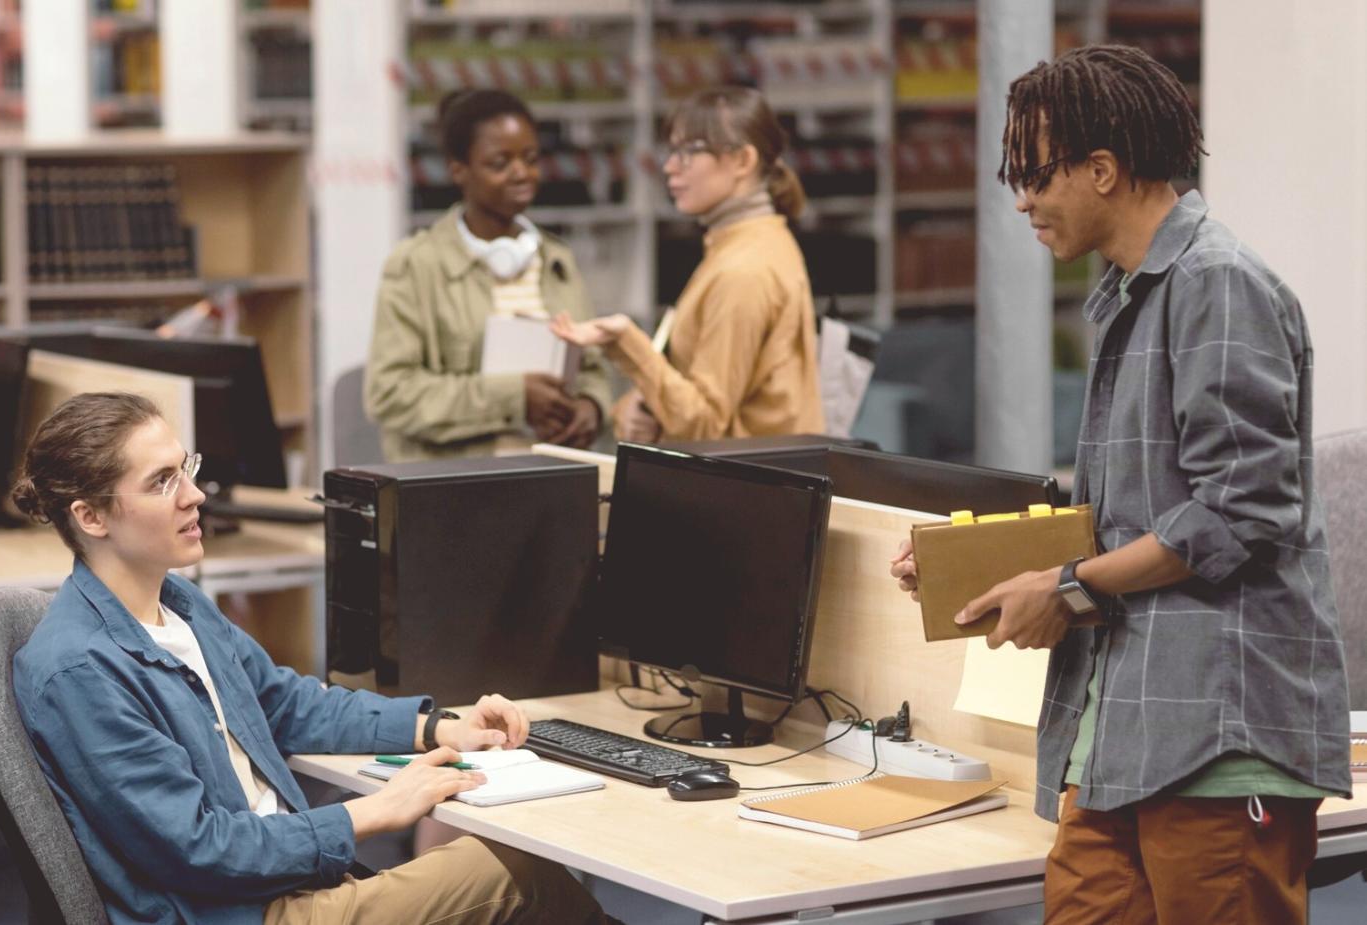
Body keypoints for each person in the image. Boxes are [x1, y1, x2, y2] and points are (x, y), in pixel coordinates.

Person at [890, 45, 1350, 924]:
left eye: (1034, 174)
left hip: (1217, 733)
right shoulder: (1127, 293)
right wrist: (971, 562)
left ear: (1102, 170)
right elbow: (1130, 514)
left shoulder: (1217, 284)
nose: (1020, 200)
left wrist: (1066, 587)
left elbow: (1239, 510)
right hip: (1122, 731)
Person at [11, 392, 614, 924]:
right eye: (161, 481)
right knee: (522, 877)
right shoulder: (81, 672)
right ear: (90, 517)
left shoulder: (177, 603)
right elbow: (201, 849)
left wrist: (435, 727)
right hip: (242, 911)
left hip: (288, 882)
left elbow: (285, 704)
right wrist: (373, 813)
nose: (194, 495)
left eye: (186, 468)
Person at [550, 85, 824, 443]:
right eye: (672, 150)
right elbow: (707, 391)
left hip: (745, 487)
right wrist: (640, 406)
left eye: (689, 152)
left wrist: (627, 343)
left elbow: (704, 424)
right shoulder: (754, 241)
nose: (670, 167)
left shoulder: (744, 269)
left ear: (743, 160)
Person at [364, 89, 612, 462]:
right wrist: (515, 397)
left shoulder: (557, 261)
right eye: (500, 162)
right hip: (459, 487)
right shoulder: (416, 266)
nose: (522, 174)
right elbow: (390, 393)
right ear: (458, 169)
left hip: (557, 475)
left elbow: (593, 368)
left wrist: (592, 407)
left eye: (530, 159)